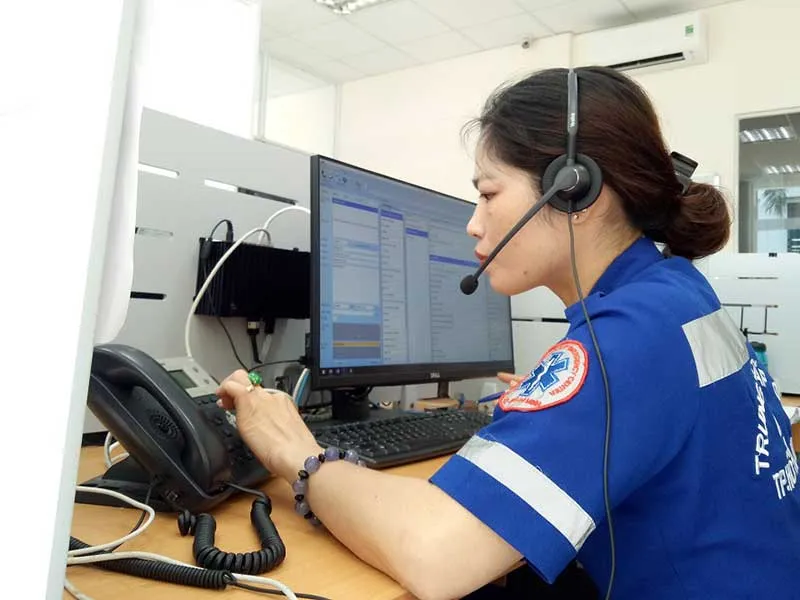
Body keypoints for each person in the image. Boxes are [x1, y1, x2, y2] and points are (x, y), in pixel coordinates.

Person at [216, 66, 800, 600]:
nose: (473, 223)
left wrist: (296, 452)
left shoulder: (626, 339)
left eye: (488, 193)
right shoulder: (673, 292)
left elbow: (438, 556)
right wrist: (570, 408)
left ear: (574, 190)